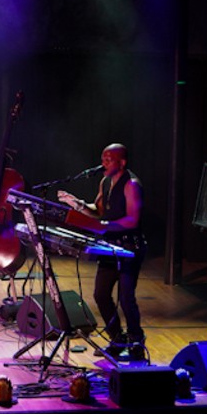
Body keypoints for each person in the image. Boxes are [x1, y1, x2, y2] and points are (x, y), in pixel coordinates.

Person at [57, 142, 146, 349]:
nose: (103, 163)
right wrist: (77, 204)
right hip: (110, 247)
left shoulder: (131, 184)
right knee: (101, 294)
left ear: (122, 162)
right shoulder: (105, 182)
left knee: (126, 297)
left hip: (130, 248)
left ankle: (136, 340)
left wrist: (103, 225)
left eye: (108, 159)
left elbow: (132, 220)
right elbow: (97, 211)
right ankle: (117, 339)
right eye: (102, 158)